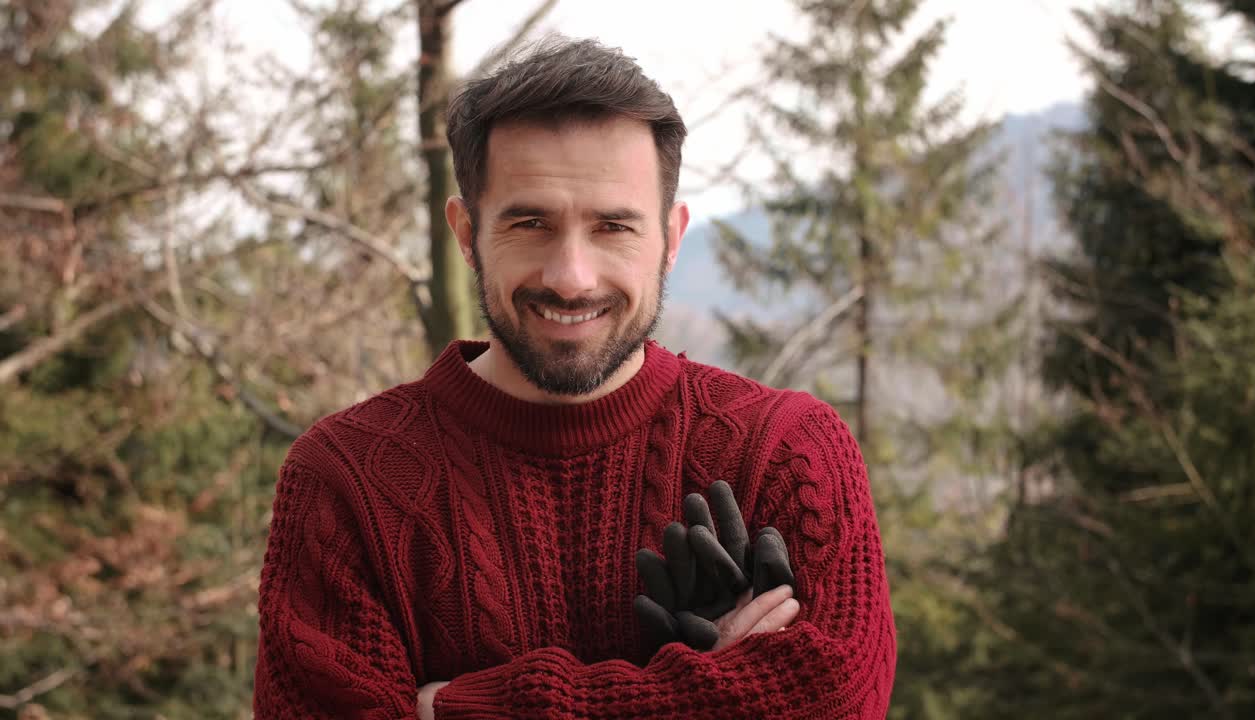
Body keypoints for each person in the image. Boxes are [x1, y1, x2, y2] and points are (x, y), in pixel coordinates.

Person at [252, 37, 896, 719]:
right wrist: (719, 693)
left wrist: (462, 709)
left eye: (613, 227)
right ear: (466, 232)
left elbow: (837, 696)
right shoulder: (346, 481)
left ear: (672, 238)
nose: (571, 276)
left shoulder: (786, 450)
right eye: (530, 223)